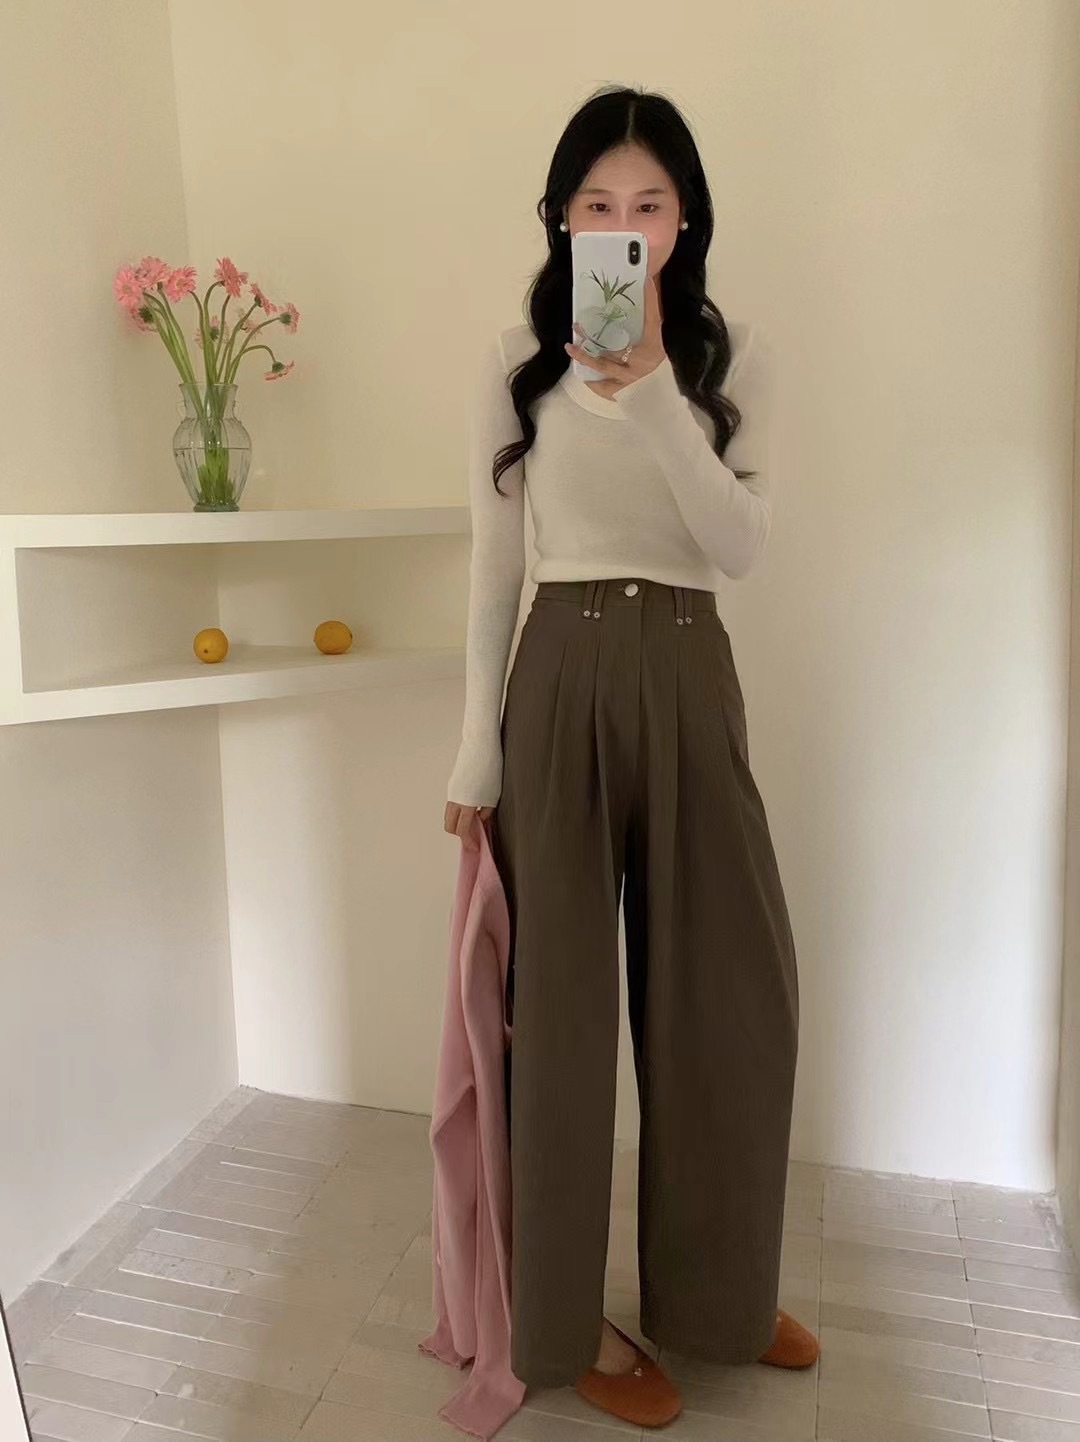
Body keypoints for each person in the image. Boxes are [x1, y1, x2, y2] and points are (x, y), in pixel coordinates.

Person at [442, 84, 815, 1427]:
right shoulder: (514, 362)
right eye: (598, 203)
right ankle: (564, 1328)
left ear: (685, 220)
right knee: (559, 1025)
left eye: (648, 204)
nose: (625, 224)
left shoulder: (735, 356)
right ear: (561, 217)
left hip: (691, 665)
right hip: (559, 676)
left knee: (730, 998)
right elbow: (495, 570)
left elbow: (740, 546)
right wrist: (473, 757)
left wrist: (658, 392)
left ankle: (717, 1297)